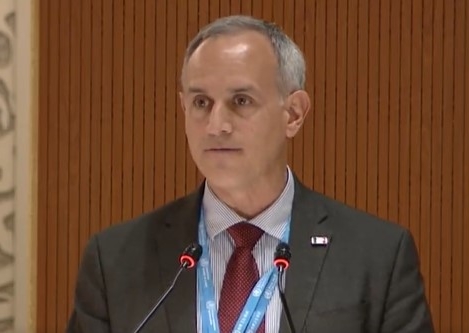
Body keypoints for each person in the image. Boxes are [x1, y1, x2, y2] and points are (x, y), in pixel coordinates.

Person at [67, 15, 434, 333]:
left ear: (293, 114)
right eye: (200, 103)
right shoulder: (115, 261)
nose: (217, 125)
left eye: (240, 101)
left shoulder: (376, 257)